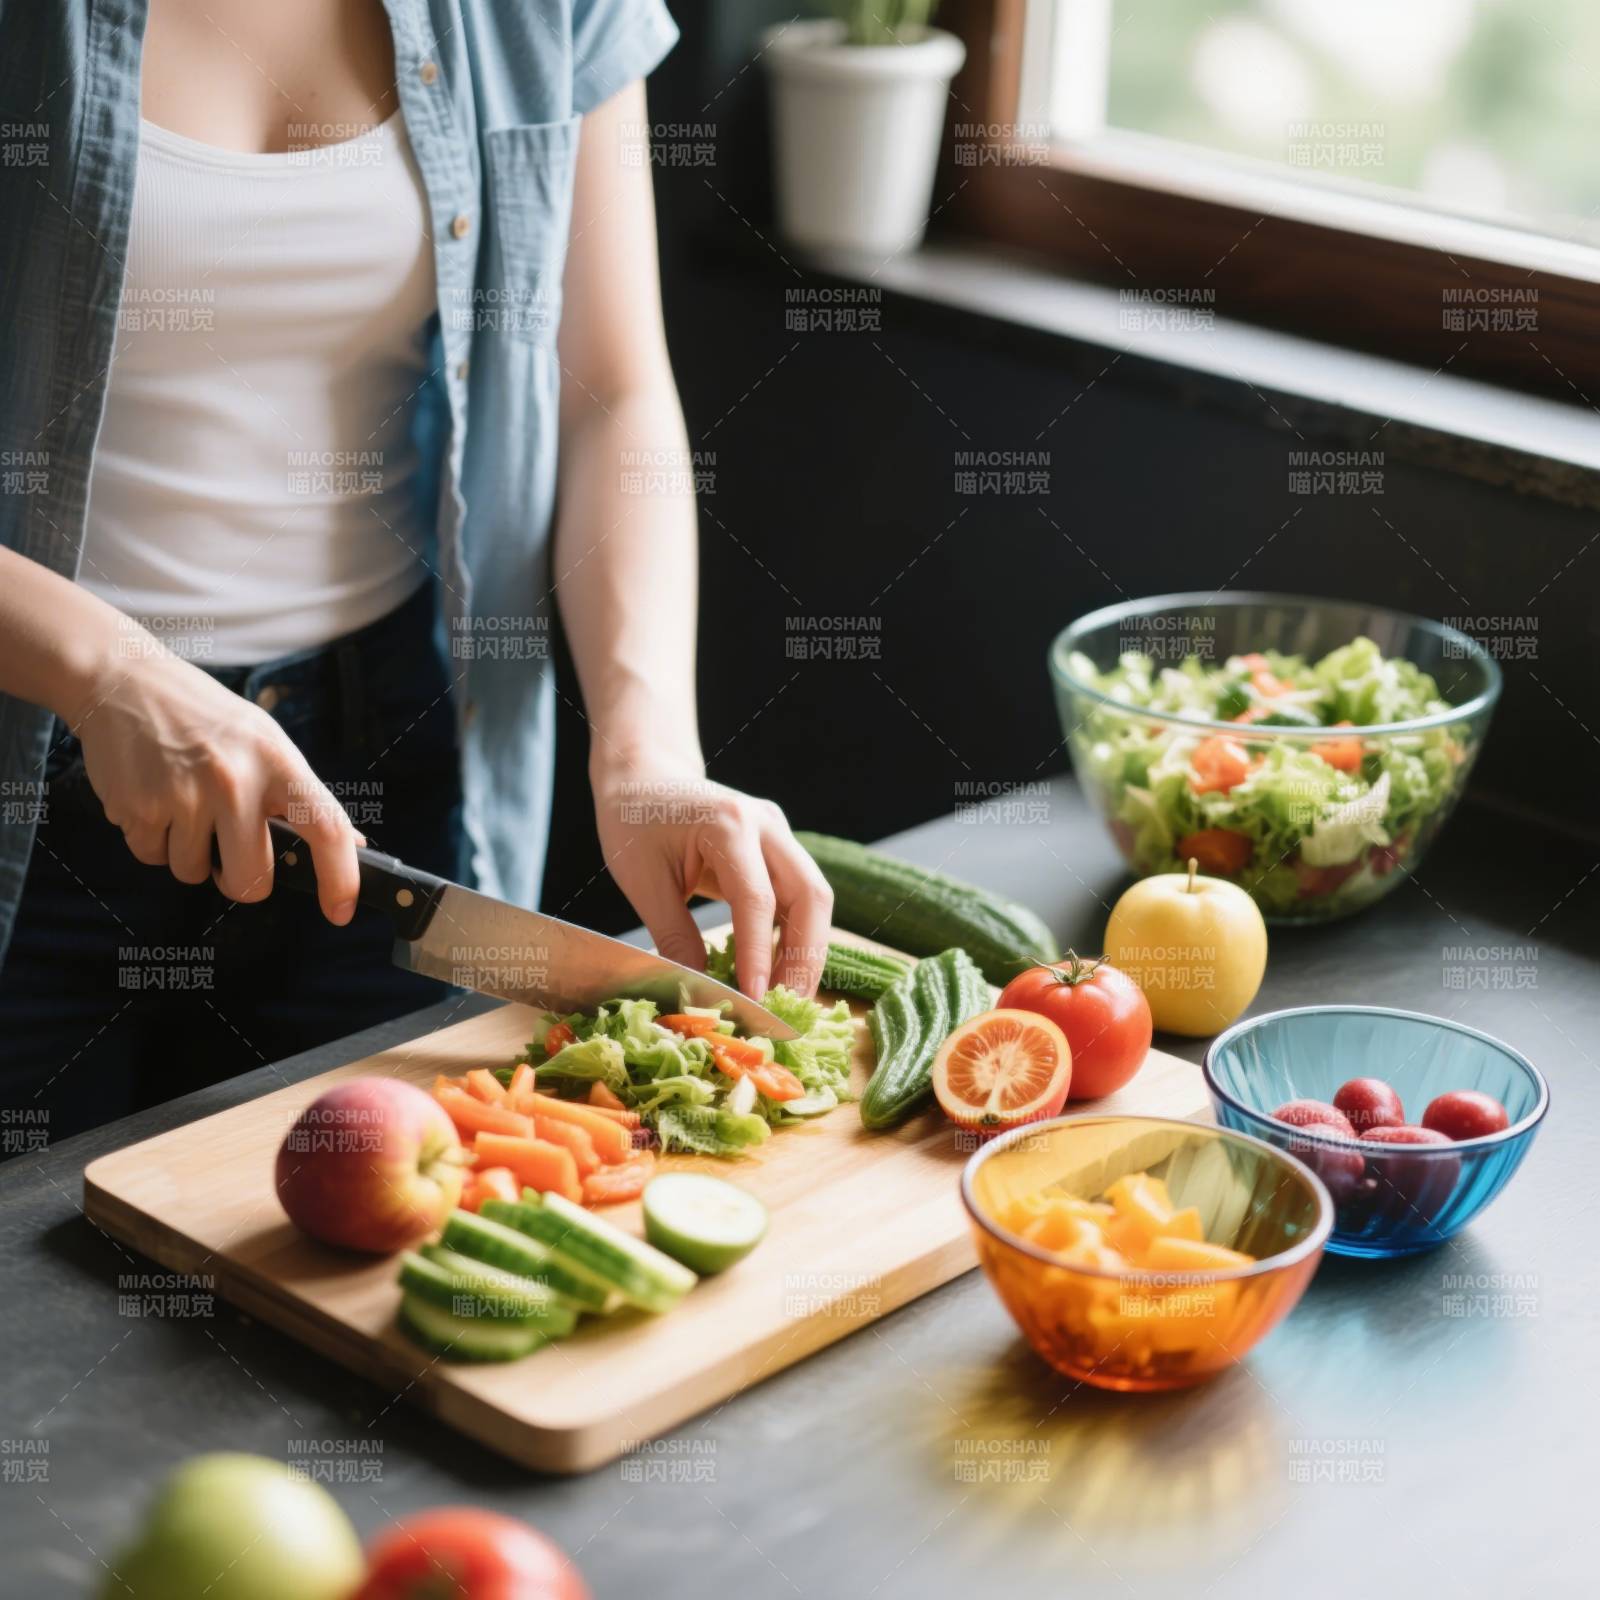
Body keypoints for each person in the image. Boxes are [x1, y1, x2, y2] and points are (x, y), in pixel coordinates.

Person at [0, 0, 832, 1143]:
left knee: (352, 1279)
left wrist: (645, 751)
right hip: (33, 777)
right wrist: (101, 669)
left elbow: (611, 390)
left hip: (386, 778)